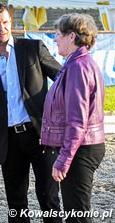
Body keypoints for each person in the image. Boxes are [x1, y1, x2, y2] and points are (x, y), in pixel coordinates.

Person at [0, 1, 62, 223]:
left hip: (40, 134)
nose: (1, 28)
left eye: (5, 22)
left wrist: (60, 113)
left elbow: (62, 78)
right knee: (16, 205)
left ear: (10, 22)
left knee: (50, 200)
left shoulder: (33, 49)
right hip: (8, 140)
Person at [41, 13, 105, 223]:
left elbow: (77, 120)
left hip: (81, 149)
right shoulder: (77, 63)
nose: (55, 38)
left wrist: (63, 160)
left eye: (58, 34)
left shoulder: (78, 67)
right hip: (82, 146)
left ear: (71, 37)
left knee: (77, 215)